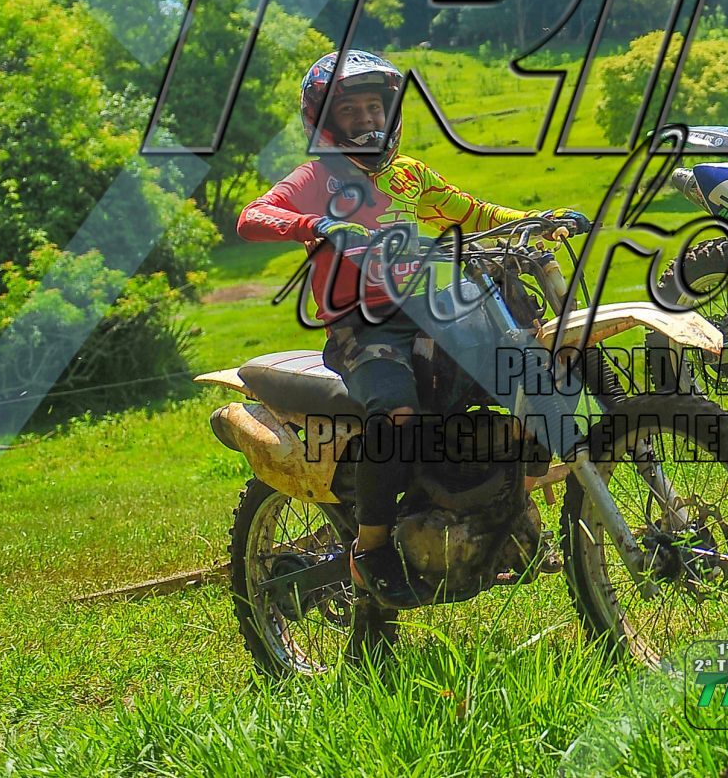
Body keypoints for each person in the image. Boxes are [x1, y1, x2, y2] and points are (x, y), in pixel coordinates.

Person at [237, 48, 575, 609]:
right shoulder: (317, 178)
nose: (368, 120)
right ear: (325, 120)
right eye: (352, 111)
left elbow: (472, 211)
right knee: (397, 415)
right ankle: (370, 549)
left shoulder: (410, 175)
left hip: (431, 312)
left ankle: (505, 508)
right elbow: (253, 217)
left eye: (376, 108)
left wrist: (537, 221)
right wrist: (316, 223)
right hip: (363, 328)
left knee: (529, 373)